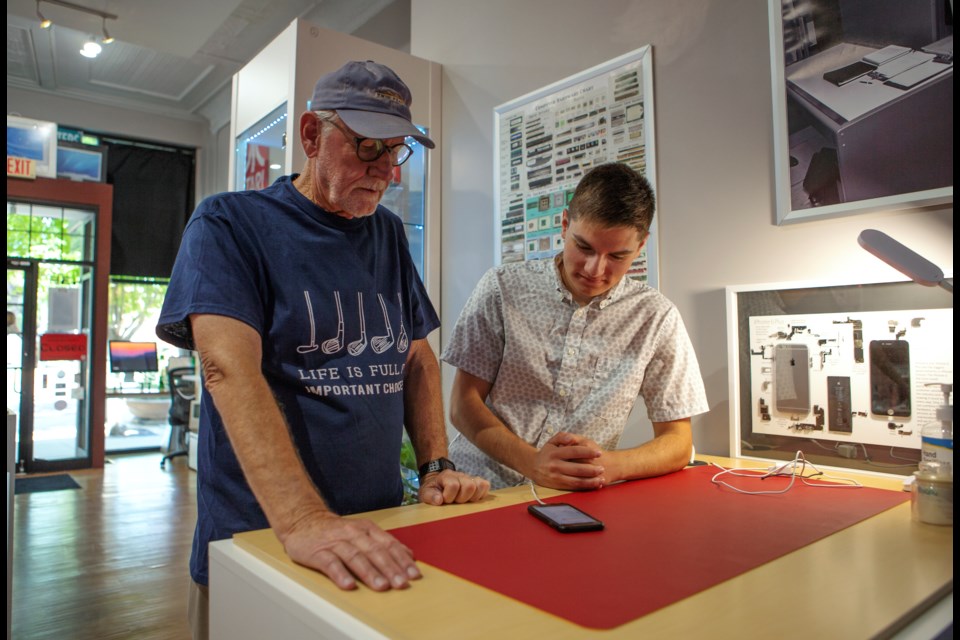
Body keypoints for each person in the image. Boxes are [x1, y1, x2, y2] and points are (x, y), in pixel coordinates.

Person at [156, 60, 489, 639]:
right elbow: (226, 368)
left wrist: (436, 464)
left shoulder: (386, 234)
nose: (385, 171)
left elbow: (416, 358)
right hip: (263, 534)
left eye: (397, 152)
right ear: (312, 135)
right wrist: (303, 519)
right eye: (366, 148)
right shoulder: (229, 223)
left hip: (378, 529)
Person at [442, 162, 709, 491]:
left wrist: (610, 467)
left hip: (574, 501)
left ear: (641, 246)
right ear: (565, 224)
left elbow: (678, 441)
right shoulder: (502, 288)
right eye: (584, 247)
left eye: (618, 256)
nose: (596, 270)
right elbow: (462, 404)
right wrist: (534, 464)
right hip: (478, 487)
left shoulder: (656, 316)